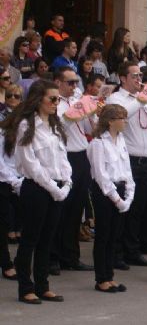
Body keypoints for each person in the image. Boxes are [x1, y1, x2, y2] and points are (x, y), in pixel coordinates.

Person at [8, 80, 72, 304]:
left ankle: (43, 285)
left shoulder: (55, 125)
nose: (56, 103)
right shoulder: (27, 125)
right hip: (36, 188)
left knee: (48, 239)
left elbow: (63, 158)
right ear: (38, 100)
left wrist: (66, 183)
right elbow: (31, 163)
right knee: (31, 239)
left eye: (58, 99)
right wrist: (54, 187)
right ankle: (26, 288)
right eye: (52, 99)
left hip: (56, 188)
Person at [106, 62, 147, 267]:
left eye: (140, 76)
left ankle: (132, 249)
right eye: (134, 76)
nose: (138, 79)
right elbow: (122, 114)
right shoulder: (116, 98)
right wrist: (143, 99)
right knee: (123, 207)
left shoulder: (144, 99)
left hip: (146, 159)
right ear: (122, 78)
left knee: (138, 208)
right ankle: (115, 252)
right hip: (128, 159)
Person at [50, 67, 94, 274]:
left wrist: (92, 111)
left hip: (80, 155)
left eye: (76, 82)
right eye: (70, 82)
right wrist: (77, 109)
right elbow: (58, 126)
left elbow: (88, 130)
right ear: (58, 83)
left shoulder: (74, 102)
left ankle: (71, 255)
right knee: (60, 208)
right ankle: (52, 257)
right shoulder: (53, 102)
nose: (75, 86)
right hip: (64, 156)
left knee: (76, 209)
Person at [87, 104, 135, 293]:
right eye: (121, 118)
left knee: (114, 236)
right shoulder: (98, 143)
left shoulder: (121, 139)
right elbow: (101, 175)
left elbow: (127, 169)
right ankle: (101, 278)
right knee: (103, 236)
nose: (125, 122)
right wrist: (116, 198)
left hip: (121, 189)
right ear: (110, 121)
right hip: (106, 192)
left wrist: (129, 195)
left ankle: (110, 275)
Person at [0, 87, 23, 281]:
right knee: (4, 224)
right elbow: (1, 163)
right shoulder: (2, 131)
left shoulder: (26, 131)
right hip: (5, 181)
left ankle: (18, 262)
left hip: (21, 181)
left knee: (23, 223)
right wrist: (13, 181)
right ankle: (6, 264)